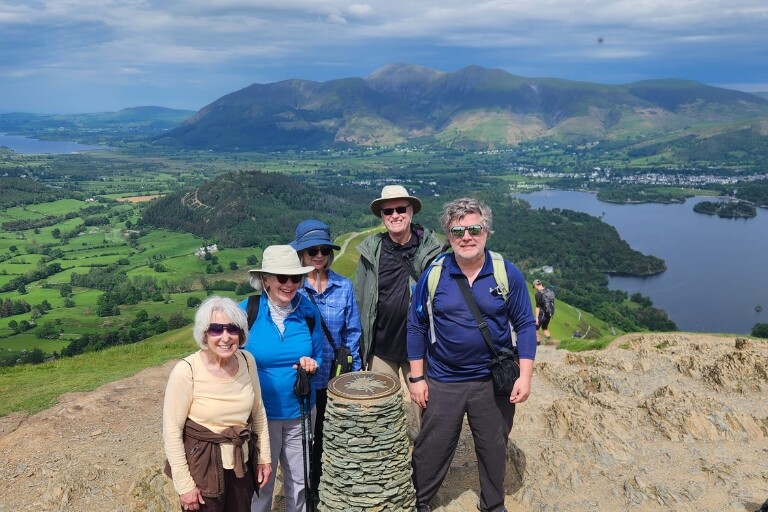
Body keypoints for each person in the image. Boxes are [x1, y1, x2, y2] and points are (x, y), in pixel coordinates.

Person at [407, 197, 537, 512]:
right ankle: (420, 501)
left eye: (474, 229)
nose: (467, 236)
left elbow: (525, 325)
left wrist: (525, 376)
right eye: (457, 231)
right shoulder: (434, 275)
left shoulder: (506, 273)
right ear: (448, 236)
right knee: (432, 447)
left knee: (493, 446)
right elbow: (416, 327)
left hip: (492, 380)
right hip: (443, 379)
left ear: (486, 231)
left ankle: (493, 504)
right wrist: (417, 377)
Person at [163, 296, 272, 512]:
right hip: (203, 468)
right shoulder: (187, 370)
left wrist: (264, 459)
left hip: (241, 464)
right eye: (216, 329)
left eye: (232, 329)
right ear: (204, 333)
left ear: (241, 333)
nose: (225, 337)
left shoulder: (247, 361)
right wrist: (184, 486)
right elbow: (172, 432)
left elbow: (258, 412)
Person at [241, 245, 324, 512]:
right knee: (261, 480)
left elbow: (320, 355)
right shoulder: (246, 312)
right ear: (266, 279)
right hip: (260, 416)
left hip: (300, 411)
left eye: (295, 278)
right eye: (281, 278)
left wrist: (313, 364)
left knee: (300, 480)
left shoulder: (308, 313)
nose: (289, 285)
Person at [354, 184, 442, 435]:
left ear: (411, 211)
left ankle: (427, 466)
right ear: (382, 216)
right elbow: (360, 297)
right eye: (388, 211)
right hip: (382, 348)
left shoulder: (431, 250)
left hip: (421, 348)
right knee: (381, 412)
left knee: (426, 411)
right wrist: (362, 347)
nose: (395, 215)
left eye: (400, 209)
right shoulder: (371, 250)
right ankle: (390, 466)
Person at [290, 219, 363, 494]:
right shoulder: (292, 288)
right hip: (302, 374)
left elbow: (352, 332)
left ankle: (320, 481)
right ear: (301, 255)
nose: (319, 255)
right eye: (312, 251)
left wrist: (352, 373)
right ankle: (303, 482)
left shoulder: (343, 287)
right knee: (299, 433)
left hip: (333, 375)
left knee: (325, 431)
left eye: (324, 250)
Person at [533, 279, 553, 343]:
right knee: (545, 328)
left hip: (542, 314)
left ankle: (538, 343)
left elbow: (537, 307)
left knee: (535, 328)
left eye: (534, 286)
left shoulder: (538, 294)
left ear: (536, 285)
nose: (535, 288)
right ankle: (550, 341)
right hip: (549, 314)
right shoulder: (548, 291)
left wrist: (536, 318)